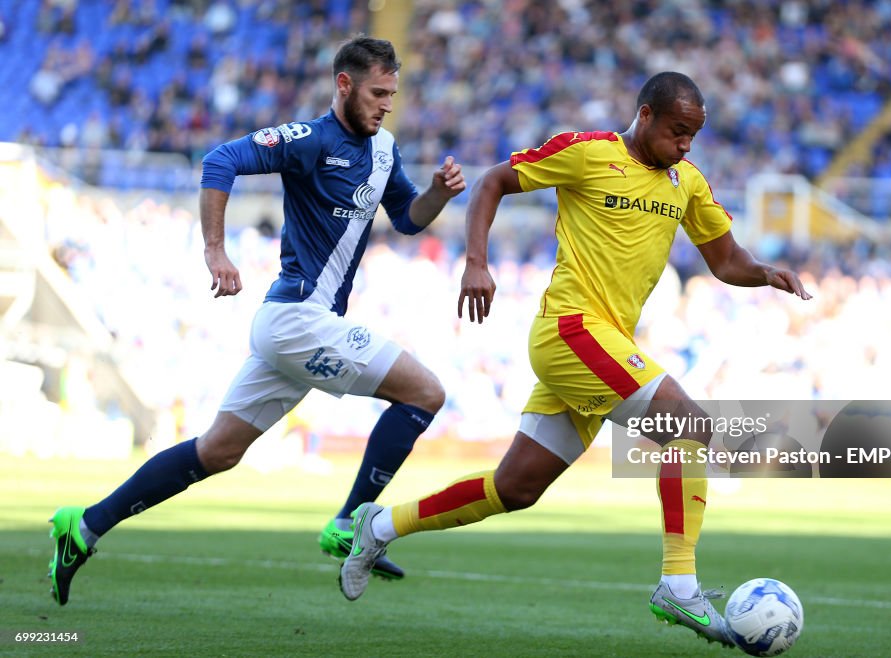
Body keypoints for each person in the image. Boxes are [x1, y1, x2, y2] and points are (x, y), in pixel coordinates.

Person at [339, 72, 811, 646]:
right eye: (678, 132)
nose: (686, 145)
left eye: (694, 136)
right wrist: (477, 262)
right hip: (570, 331)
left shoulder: (686, 183)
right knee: (689, 426)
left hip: (606, 346)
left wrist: (764, 273)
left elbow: (726, 258)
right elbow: (493, 182)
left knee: (515, 488)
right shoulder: (587, 153)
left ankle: (379, 524)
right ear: (645, 116)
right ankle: (678, 586)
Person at [47, 36, 466, 606]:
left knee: (217, 452)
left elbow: (408, 218)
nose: (386, 104)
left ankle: (85, 526)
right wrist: (215, 251)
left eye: (392, 93)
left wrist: (438, 195)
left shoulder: (385, 148)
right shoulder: (309, 140)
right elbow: (221, 159)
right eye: (376, 92)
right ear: (343, 85)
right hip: (297, 320)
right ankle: (349, 522)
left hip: (301, 327)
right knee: (425, 392)